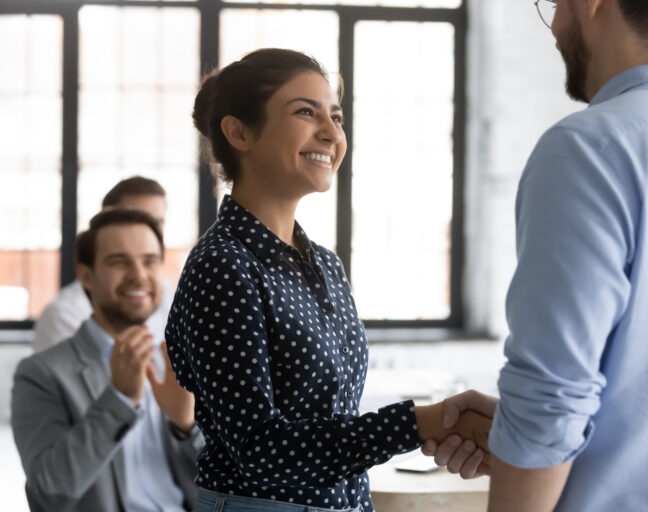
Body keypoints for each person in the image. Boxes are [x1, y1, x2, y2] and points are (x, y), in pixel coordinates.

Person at [423, 0, 648, 510]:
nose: (556, 27)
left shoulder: (587, 149)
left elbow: (550, 400)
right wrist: (518, 428)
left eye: (555, 6)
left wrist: (530, 436)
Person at [164, 48, 490, 512]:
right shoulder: (223, 266)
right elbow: (261, 450)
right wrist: (421, 423)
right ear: (239, 132)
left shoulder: (324, 264)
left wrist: (441, 427)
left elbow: (332, 424)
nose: (332, 133)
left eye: (336, 117)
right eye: (305, 112)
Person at [12, 209, 203, 512]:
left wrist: (188, 427)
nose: (139, 274)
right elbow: (47, 495)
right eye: (119, 261)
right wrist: (119, 400)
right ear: (87, 276)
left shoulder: (178, 363)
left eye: (150, 261)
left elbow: (228, 482)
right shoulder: (41, 374)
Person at [33, 176, 174, 353]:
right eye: (133, 219)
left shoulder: (170, 297)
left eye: (157, 223)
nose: (146, 230)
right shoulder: (63, 314)